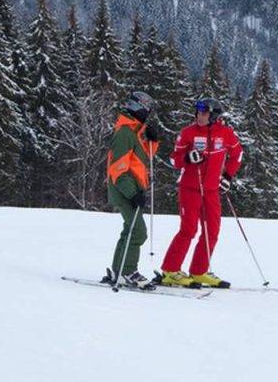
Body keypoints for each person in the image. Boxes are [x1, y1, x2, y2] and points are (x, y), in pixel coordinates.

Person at [157, 98, 243, 288]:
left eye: (204, 113)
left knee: (212, 231)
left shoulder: (226, 134)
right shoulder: (188, 133)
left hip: (211, 190)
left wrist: (228, 177)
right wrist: (187, 157)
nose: (199, 116)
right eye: (198, 112)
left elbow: (238, 154)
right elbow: (173, 160)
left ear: (213, 116)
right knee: (188, 230)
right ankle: (170, 271)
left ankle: (199, 271)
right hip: (190, 189)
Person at [102, 90, 163, 290]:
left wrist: (153, 141)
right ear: (138, 108)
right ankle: (128, 271)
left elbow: (142, 158)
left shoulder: (134, 131)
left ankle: (118, 270)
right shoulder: (125, 132)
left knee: (129, 229)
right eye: (147, 110)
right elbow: (118, 169)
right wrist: (132, 193)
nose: (148, 114)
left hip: (132, 189)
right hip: (124, 190)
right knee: (138, 232)